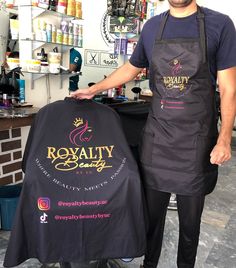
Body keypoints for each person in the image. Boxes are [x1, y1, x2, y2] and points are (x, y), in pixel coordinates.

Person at [71, 0, 236, 267]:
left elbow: (228, 88)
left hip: (195, 142)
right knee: (150, 220)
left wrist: (224, 137)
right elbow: (131, 67)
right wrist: (94, 89)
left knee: (190, 227)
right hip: (158, 139)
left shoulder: (220, 25)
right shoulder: (152, 28)